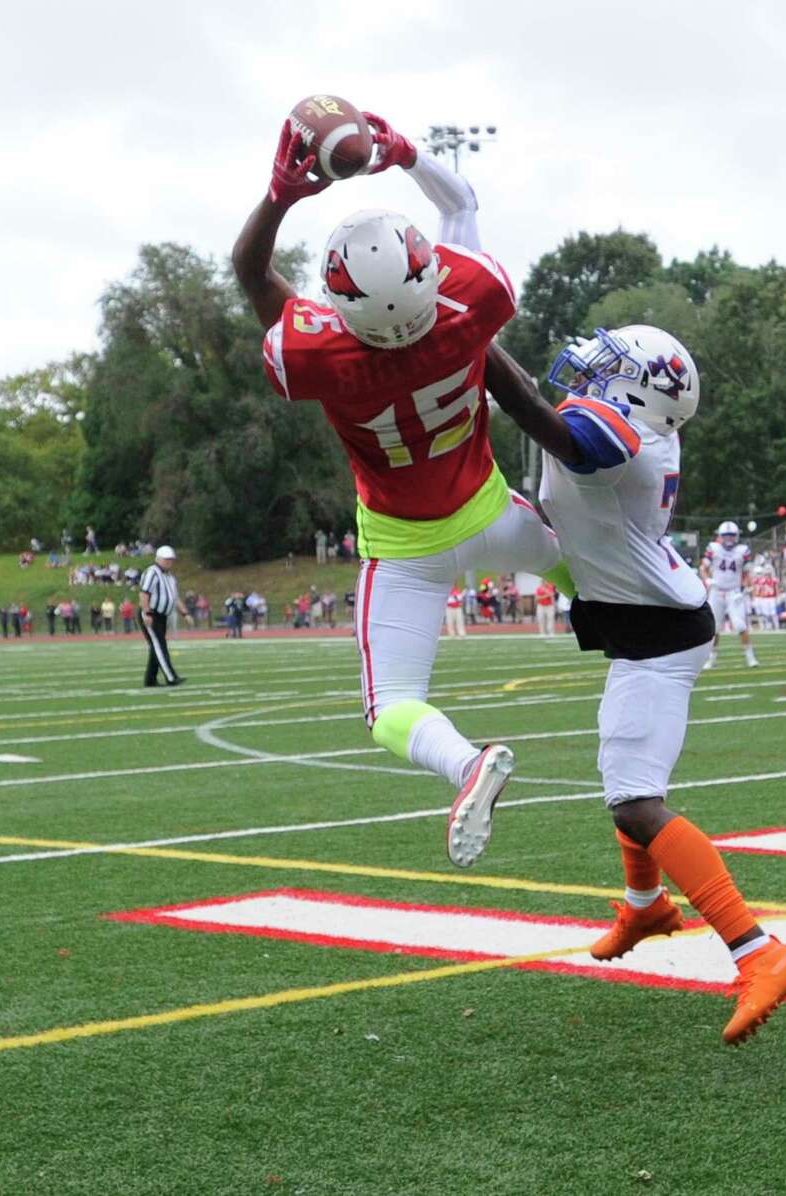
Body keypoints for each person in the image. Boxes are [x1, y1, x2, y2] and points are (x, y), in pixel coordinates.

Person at [233, 107, 565, 868]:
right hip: (494, 516)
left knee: (391, 711)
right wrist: (407, 153)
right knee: (576, 563)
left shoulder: (314, 354)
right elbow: (461, 204)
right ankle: (658, 612)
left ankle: (467, 765)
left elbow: (251, 274)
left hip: (405, 551)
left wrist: (283, 194)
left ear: (337, 304)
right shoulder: (474, 299)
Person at [485, 327, 786, 1045]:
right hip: (650, 624)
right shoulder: (632, 423)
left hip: (661, 635)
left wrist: (471, 346)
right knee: (622, 779)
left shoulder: (621, 433)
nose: (590, 372)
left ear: (639, 388)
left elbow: (535, 414)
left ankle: (760, 953)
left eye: (610, 367)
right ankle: (645, 906)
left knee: (635, 802)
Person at [700, 522, 758, 668]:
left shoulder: (743, 550)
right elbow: (703, 568)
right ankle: (712, 658)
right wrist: (708, 580)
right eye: (726, 536)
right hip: (716, 591)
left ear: (736, 536)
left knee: (740, 625)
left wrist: (743, 587)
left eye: (731, 535)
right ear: (720, 536)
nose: (729, 539)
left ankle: (750, 657)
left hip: (734, 592)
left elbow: (746, 573)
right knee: (714, 627)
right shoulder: (713, 548)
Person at [139, 546, 188, 686]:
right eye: (166, 560)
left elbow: (175, 598)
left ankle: (150, 679)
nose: (169, 562)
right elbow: (143, 594)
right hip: (151, 614)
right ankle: (171, 677)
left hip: (162, 616)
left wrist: (185, 613)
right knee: (160, 646)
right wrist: (147, 612)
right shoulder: (152, 572)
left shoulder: (170, 578)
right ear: (159, 559)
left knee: (156, 646)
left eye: (171, 560)